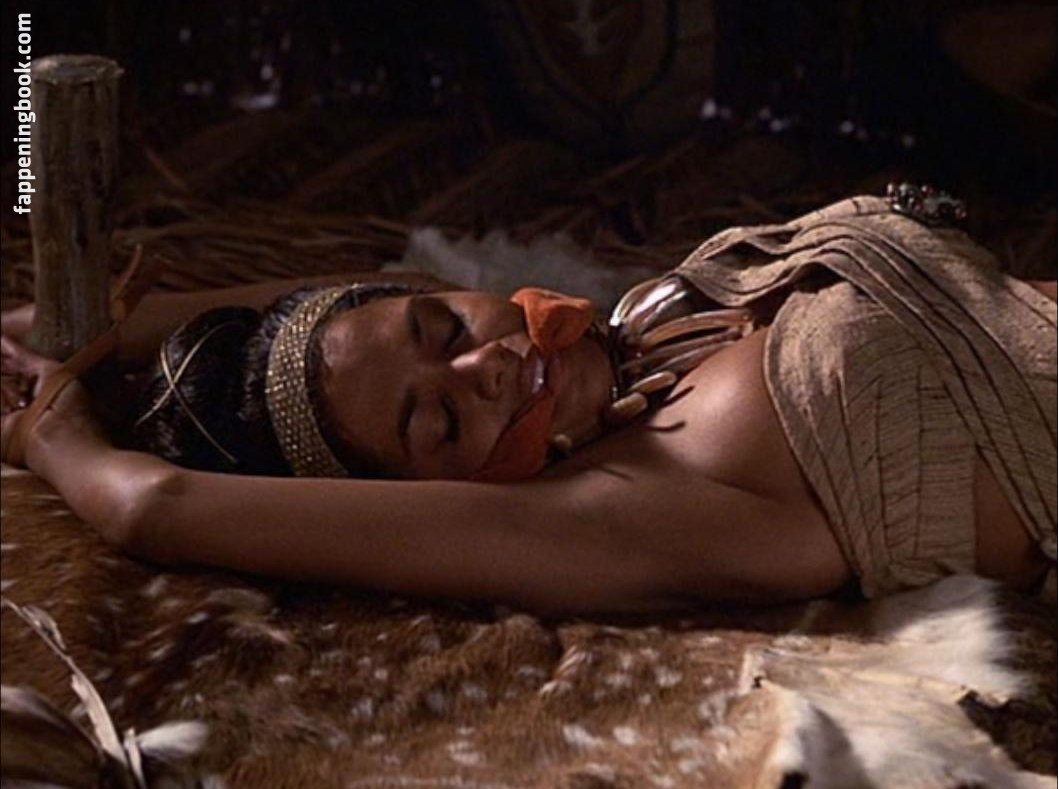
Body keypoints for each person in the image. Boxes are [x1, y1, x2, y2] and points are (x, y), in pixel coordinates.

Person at [2, 192, 1055, 615]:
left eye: (445, 331)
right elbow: (155, 506)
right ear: (431, 494)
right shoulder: (620, 503)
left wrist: (95, 329)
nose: (485, 370)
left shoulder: (638, 333)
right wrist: (54, 436)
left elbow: (385, 304)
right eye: (437, 423)